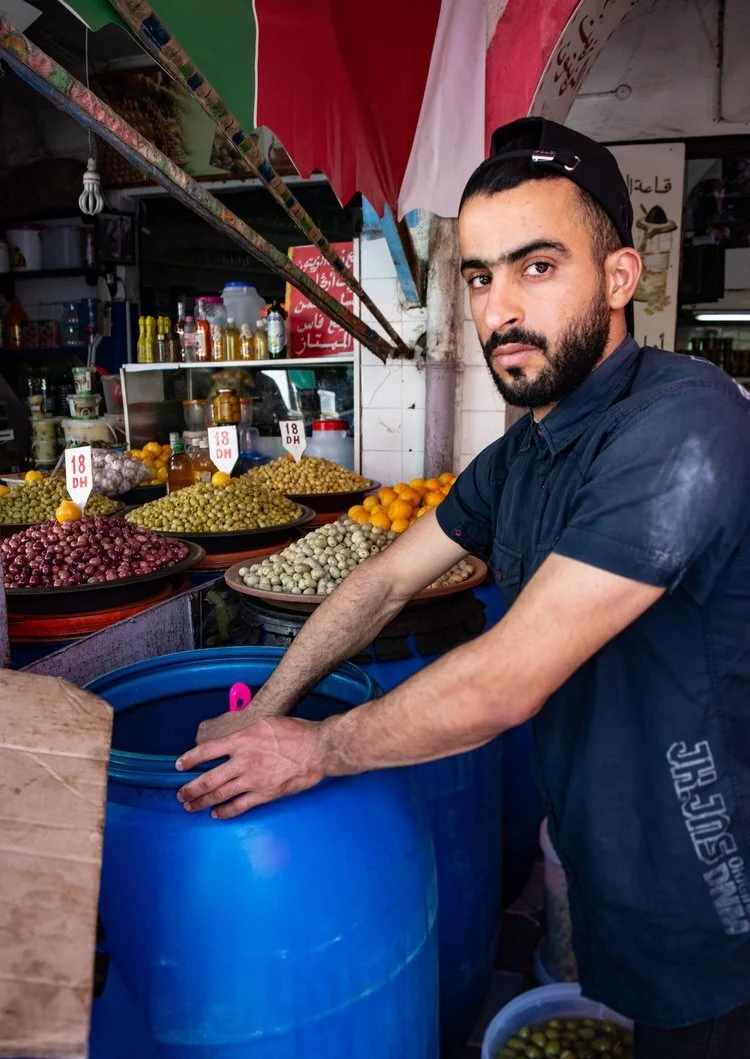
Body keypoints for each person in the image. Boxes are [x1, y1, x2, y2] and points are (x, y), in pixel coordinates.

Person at [175, 118, 750, 1056]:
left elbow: (505, 680)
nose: (498, 309)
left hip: (709, 873)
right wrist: (267, 706)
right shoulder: (519, 456)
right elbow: (383, 580)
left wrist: (314, 747)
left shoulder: (685, 421)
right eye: (479, 276)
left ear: (617, 279)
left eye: (536, 266)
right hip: (608, 855)